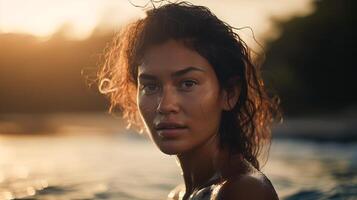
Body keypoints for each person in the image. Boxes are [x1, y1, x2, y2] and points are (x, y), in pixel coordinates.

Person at [98, 1, 280, 199]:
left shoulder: (245, 190)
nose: (165, 105)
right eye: (150, 86)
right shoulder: (177, 196)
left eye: (188, 83)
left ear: (229, 94)